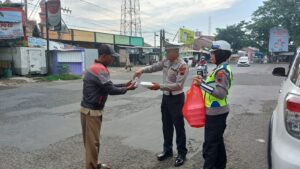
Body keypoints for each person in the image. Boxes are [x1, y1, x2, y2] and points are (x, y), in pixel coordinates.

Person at [80, 44, 136, 169]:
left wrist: (124, 84)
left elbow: (107, 85)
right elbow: (110, 89)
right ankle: (92, 166)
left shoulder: (96, 67)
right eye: (111, 57)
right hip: (91, 112)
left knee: (93, 142)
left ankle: (96, 163)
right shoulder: (100, 69)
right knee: (92, 143)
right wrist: (127, 88)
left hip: (90, 110)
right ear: (104, 56)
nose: (113, 59)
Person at [133, 41, 189, 167]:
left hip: (176, 99)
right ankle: (167, 150)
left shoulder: (182, 66)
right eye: (166, 51)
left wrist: (159, 86)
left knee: (179, 127)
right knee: (166, 125)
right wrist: (141, 70)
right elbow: (153, 67)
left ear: (176, 51)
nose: (166, 53)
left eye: (168, 51)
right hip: (166, 98)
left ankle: (181, 153)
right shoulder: (166, 62)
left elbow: (178, 85)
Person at [193, 40, 233, 169]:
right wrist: (203, 82)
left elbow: (220, 93)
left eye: (213, 53)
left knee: (209, 147)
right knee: (217, 144)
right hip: (217, 112)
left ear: (221, 54)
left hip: (216, 114)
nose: (211, 55)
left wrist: (202, 85)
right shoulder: (219, 68)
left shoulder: (222, 71)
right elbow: (213, 86)